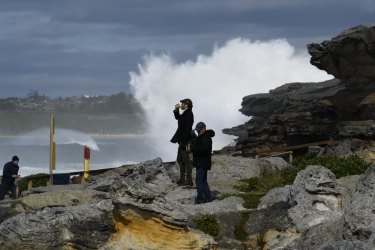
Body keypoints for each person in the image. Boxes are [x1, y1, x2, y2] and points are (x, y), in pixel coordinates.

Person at [189, 122, 215, 204]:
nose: (198, 131)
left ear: (204, 128)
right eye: (198, 130)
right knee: (203, 180)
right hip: (201, 162)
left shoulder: (206, 137)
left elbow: (204, 149)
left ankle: (200, 198)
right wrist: (193, 139)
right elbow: (198, 146)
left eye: (199, 130)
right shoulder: (202, 136)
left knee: (198, 181)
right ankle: (208, 197)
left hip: (202, 162)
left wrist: (192, 147)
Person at [170, 98, 194, 186]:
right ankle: (182, 179)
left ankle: (189, 180)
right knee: (180, 160)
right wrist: (176, 110)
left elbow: (187, 129)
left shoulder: (189, 114)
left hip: (185, 141)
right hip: (182, 140)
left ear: (186, 105)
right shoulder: (186, 113)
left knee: (186, 161)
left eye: (182, 103)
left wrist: (184, 142)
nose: (181, 105)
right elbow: (178, 118)